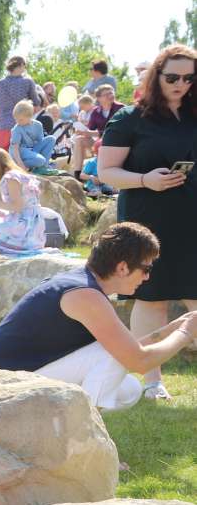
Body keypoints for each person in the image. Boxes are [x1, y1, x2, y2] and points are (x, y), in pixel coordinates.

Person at [0, 223, 195, 408]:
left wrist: (173, 328)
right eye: (146, 269)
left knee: (129, 389)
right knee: (111, 356)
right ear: (122, 268)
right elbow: (138, 360)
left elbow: (129, 349)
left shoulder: (83, 285)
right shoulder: (86, 295)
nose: (147, 277)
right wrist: (186, 333)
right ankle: (90, 443)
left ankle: (70, 428)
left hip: (8, 382)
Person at [94, 44, 197, 401]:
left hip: (192, 221)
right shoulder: (129, 118)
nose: (180, 84)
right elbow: (107, 173)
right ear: (157, 75)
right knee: (151, 300)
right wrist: (145, 180)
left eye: (188, 77)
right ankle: (152, 382)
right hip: (147, 222)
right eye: (172, 77)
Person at [0, 55, 46, 150]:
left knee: (1, 157)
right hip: (22, 125)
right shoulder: (27, 82)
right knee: (22, 157)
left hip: (3, 125)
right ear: (21, 65)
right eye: (24, 65)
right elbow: (37, 103)